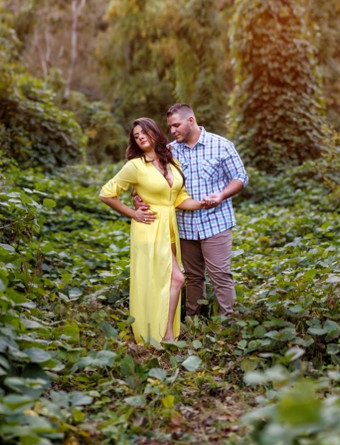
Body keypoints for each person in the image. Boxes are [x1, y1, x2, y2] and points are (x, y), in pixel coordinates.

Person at [99, 117, 207, 345]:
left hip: (169, 228)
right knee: (176, 279)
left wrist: (203, 203)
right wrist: (133, 212)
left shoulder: (172, 162)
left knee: (166, 281)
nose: (139, 137)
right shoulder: (135, 166)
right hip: (149, 228)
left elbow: (179, 198)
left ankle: (163, 333)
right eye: (136, 136)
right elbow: (106, 194)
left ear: (155, 133)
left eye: (143, 132)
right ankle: (165, 335)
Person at [164, 103, 248, 319]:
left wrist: (220, 195)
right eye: (170, 127)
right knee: (192, 277)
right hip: (184, 225)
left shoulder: (221, 145)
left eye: (176, 125)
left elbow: (240, 177)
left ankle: (228, 324)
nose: (173, 131)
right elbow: (154, 180)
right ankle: (194, 321)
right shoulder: (169, 151)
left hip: (216, 222)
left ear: (191, 120)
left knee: (220, 274)